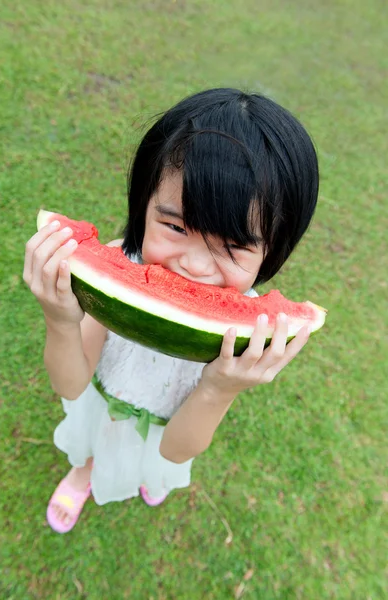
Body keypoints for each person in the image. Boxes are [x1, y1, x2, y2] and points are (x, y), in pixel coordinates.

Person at [23, 88, 319, 534]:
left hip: (168, 432)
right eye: (176, 226)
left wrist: (220, 388)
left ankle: (140, 478)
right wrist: (60, 318)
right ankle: (83, 471)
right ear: (143, 203)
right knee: (90, 442)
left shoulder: (250, 335)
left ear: (273, 249)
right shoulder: (120, 271)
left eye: (234, 246)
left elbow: (179, 451)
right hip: (101, 403)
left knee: (156, 466)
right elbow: (71, 384)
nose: (195, 265)